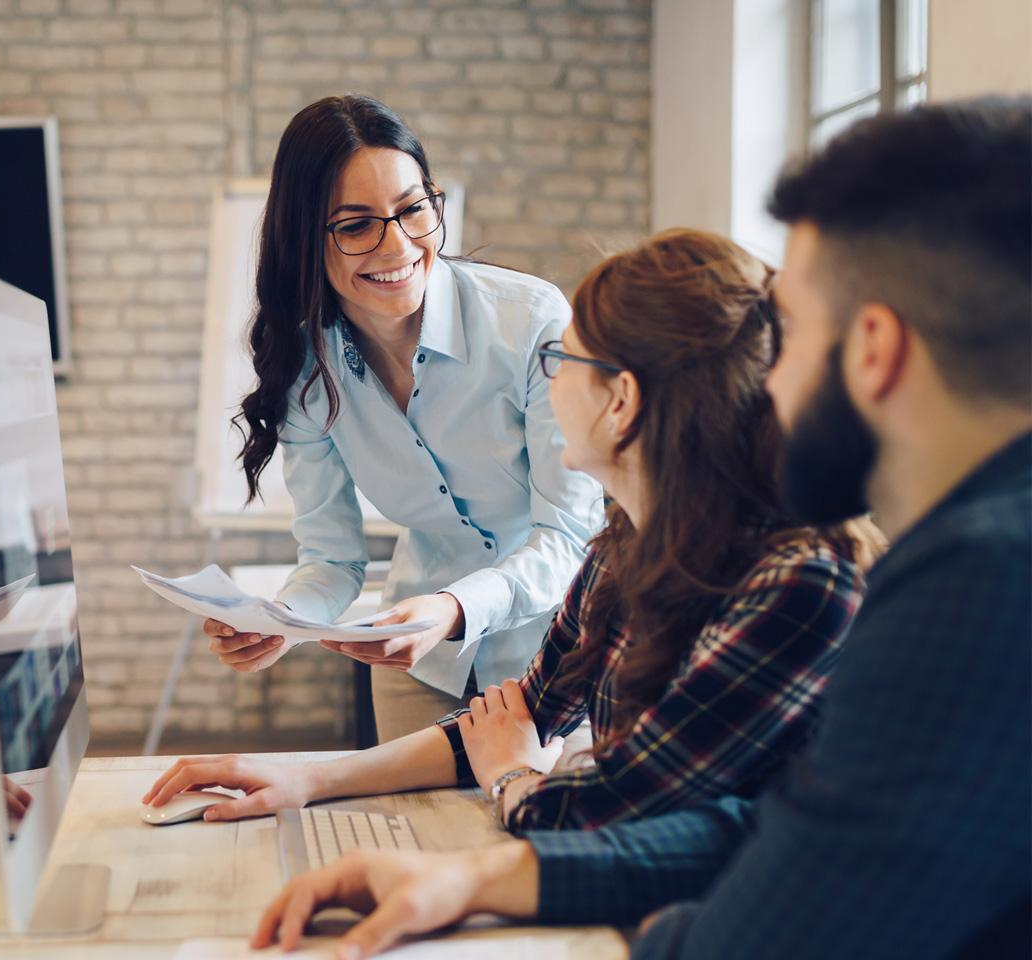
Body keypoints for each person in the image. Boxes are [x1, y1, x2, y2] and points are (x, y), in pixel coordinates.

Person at [248, 98, 1032, 960]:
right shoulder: (635, 543)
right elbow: (759, 828)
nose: (765, 376)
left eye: (792, 330)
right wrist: (467, 876)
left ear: (874, 349)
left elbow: (771, 901)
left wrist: (521, 793)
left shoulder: (965, 584)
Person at [147, 230, 868, 832]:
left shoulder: (794, 584)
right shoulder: (621, 550)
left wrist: (513, 775)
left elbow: (614, 812)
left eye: (562, 359)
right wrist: (303, 776)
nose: (545, 381)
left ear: (620, 400)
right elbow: (522, 713)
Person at [209, 94, 603, 742]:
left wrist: (452, 610)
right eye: (357, 224)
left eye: (413, 210)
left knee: (536, 835)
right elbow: (333, 560)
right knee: (404, 835)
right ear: (305, 238)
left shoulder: (531, 322)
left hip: (561, 652)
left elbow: (568, 538)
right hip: (419, 662)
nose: (398, 246)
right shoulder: (308, 371)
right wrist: (282, 620)